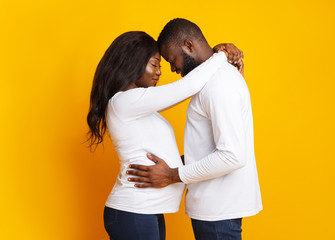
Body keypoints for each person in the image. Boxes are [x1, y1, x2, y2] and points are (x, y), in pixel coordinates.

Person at [86, 31, 244, 240]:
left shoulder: (140, 107)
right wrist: (220, 55)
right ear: (131, 63)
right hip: (134, 211)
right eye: (155, 64)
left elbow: (159, 153)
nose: (160, 72)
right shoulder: (123, 102)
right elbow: (187, 87)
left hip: (145, 212)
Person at [127, 18, 263, 240]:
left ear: (189, 46)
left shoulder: (218, 84)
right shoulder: (214, 80)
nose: (172, 69)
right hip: (216, 210)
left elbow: (232, 156)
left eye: (172, 60)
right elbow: (210, 149)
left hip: (218, 213)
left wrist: (173, 175)